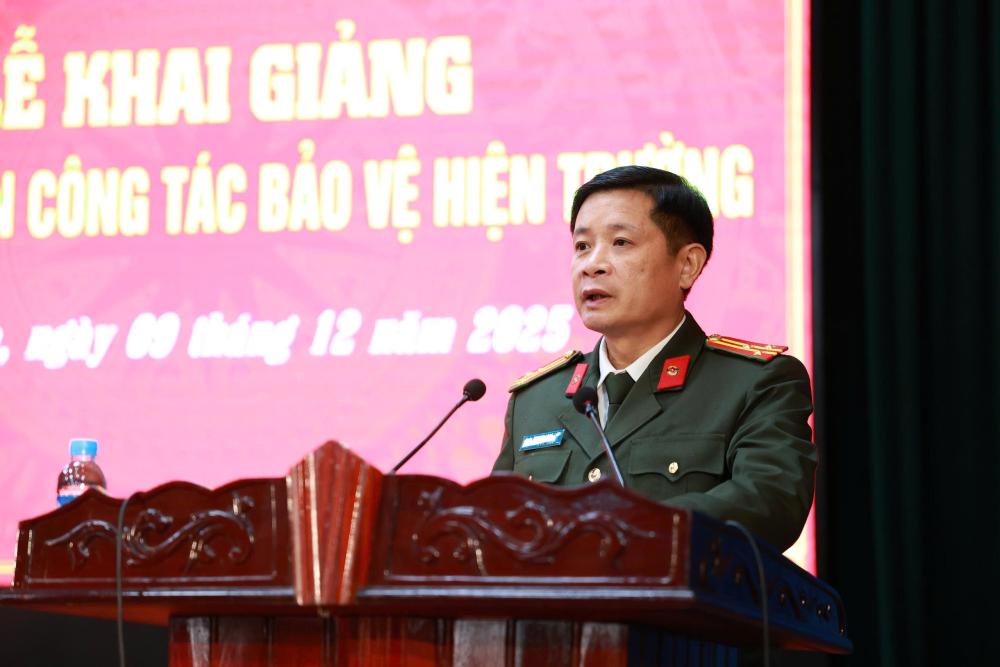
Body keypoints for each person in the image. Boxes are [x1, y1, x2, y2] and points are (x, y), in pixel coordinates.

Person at [492, 166, 815, 551]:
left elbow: (770, 502)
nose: (592, 264)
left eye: (620, 242)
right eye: (582, 246)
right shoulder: (535, 400)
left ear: (687, 265)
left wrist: (621, 530)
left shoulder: (753, 382)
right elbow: (493, 529)